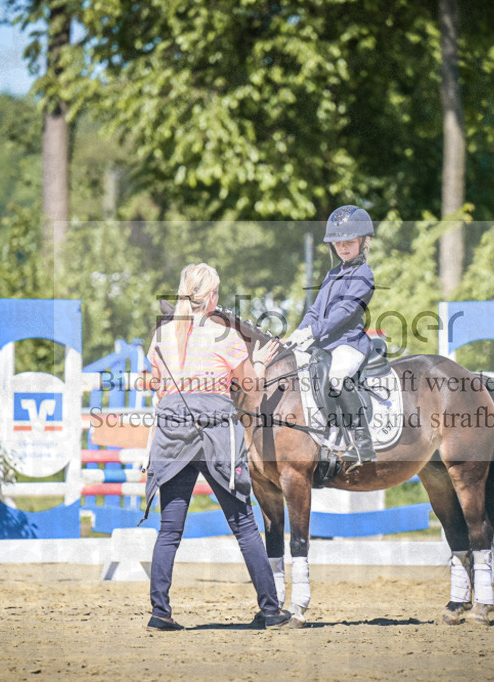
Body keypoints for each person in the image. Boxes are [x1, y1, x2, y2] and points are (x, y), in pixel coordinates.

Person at [144, 263, 289, 631]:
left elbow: (156, 387)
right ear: (210, 298)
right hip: (215, 434)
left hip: (173, 434)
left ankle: (160, 612)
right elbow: (251, 388)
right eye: (217, 293)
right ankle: (270, 608)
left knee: (169, 530)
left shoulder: (161, 336)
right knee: (243, 525)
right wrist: (258, 363)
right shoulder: (225, 336)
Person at [285, 205, 377, 468]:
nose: (342, 248)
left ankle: (362, 442)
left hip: (349, 343)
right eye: (338, 243)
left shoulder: (364, 275)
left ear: (364, 241)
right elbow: (315, 310)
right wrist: (298, 334)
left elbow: (344, 312)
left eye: (349, 242)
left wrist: (314, 331)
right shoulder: (332, 273)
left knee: (337, 376)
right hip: (325, 344)